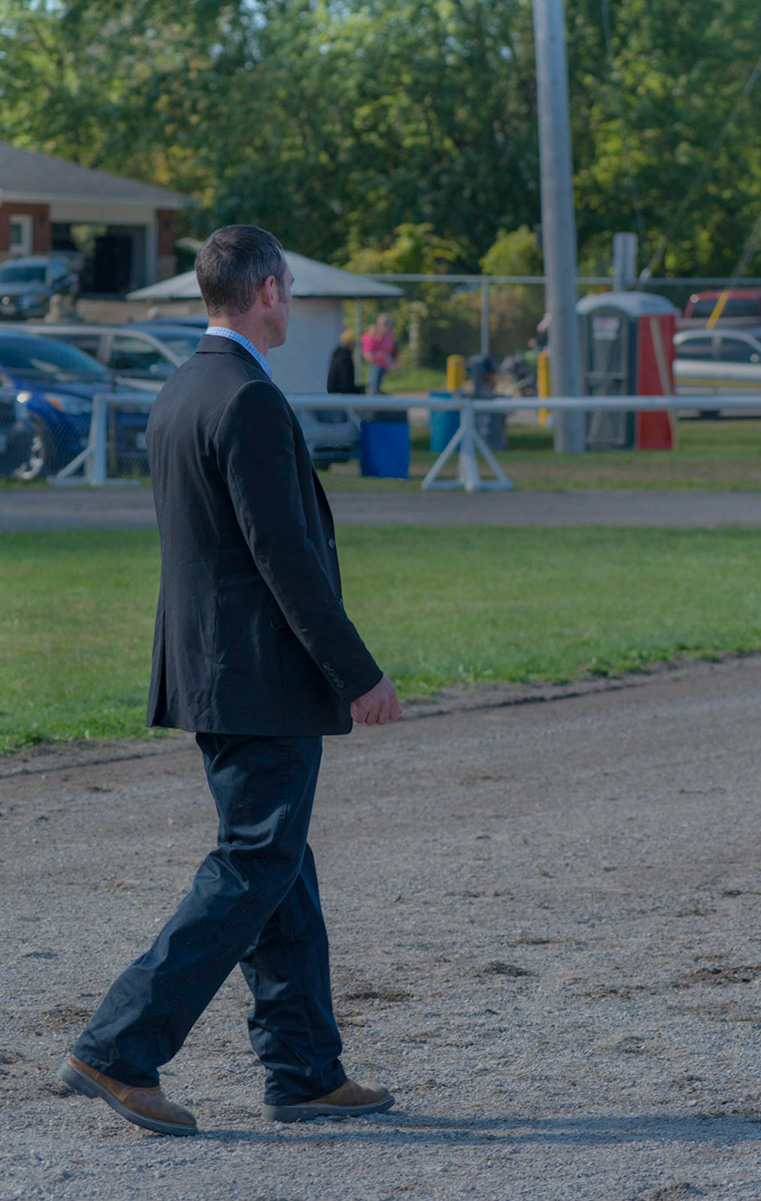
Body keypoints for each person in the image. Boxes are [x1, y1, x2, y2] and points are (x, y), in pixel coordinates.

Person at [57, 225, 403, 1135]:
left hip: (217, 671)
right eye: (285, 284)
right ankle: (117, 1045)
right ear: (264, 292)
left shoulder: (183, 386)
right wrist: (359, 672)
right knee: (255, 861)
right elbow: (283, 559)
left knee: (279, 864)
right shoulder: (247, 396)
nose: (288, 296)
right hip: (257, 676)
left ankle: (304, 1068)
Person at [361, 312, 397, 394]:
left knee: (376, 386)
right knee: (373, 387)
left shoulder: (387, 335)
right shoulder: (374, 334)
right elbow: (369, 352)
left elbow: (389, 350)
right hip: (376, 363)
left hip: (382, 363)